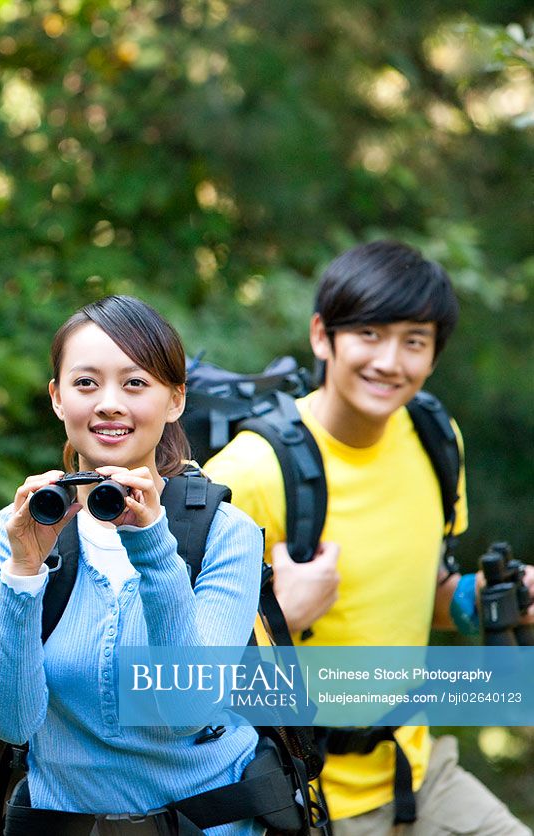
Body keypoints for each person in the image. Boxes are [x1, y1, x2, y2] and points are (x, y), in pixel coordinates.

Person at [204, 240, 532, 835]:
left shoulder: (437, 439)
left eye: (415, 341)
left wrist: (486, 599)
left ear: (433, 357)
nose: (390, 361)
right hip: (303, 797)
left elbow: (420, 594)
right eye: (370, 334)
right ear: (322, 337)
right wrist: (280, 615)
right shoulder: (250, 472)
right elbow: (166, 668)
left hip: (420, 771)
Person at [0, 295, 267, 835]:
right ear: (58, 399)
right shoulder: (7, 535)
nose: (109, 403)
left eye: (135, 383)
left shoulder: (225, 535)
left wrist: (154, 546)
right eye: (86, 384)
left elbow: (186, 710)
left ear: (175, 399)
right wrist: (24, 575)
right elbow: (11, 721)